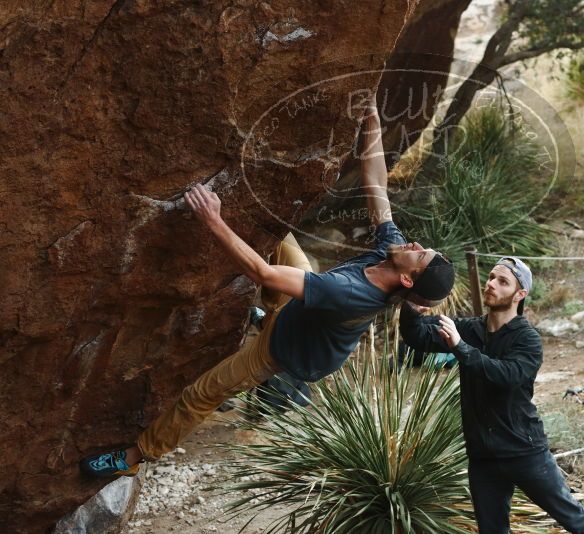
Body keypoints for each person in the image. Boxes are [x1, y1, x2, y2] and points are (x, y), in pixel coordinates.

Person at [80, 94, 455, 477]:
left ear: (408, 278)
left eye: (421, 254)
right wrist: (373, 122)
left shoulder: (347, 293)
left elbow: (262, 273)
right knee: (278, 238)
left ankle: (134, 457)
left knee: (202, 394)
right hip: (302, 314)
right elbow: (376, 184)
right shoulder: (390, 251)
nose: (416, 245)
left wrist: (213, 220)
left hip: (284, 349)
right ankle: (267, 312)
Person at [399, 256, 584, 534]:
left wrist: (461, 347)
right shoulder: (470, 329)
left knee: (575, 520)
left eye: (503, 281)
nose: (491, 284)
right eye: (492, 277)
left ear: (520, 294)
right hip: (483, 457)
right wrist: (411, 308)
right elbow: (419, 337)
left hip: (524, 452)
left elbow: (505, 376)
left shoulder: (527, 339)